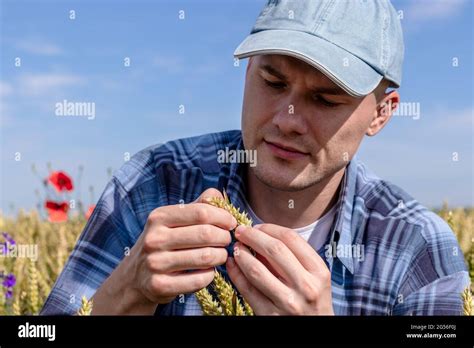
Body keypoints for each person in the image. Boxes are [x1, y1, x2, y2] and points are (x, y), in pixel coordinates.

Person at [41, 0, 469, 316]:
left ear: (381, 113)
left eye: (325, 99)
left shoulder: (417, 251)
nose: (287, 120)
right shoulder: (155, 183)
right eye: (272, 81)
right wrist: (126, 290)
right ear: (248, 72)